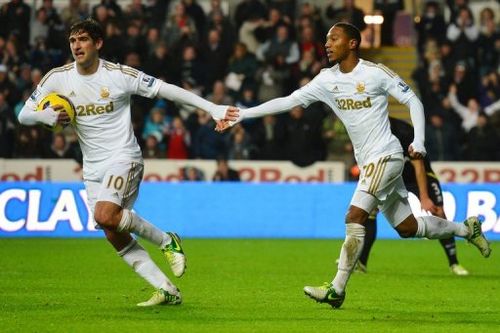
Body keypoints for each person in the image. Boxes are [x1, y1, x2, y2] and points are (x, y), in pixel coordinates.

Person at [216, 22, 491, 309]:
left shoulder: (375, 73)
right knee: (408, 228)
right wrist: (243, 114)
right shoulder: (325, 80)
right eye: (326, 39)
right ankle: (465, 230)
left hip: (386, 155)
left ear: (352, 43)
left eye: (334, 38)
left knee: (354, 215)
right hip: (370, 162)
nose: (327, 43)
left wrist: (419, 141)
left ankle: (337, 288)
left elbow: (413, 100)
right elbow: (289, 100)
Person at [17, 19, 238, 307]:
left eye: (83, 39)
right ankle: (166, 288)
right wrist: (42, 117)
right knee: (111, 230)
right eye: (72, 41)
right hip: (92, 167)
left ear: (98, 44)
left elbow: (166, 89)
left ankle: (166, 240)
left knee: (107, 215)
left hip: (124, 156)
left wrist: (211, 108)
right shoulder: (57, 78)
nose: (76, 46)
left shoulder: (118, 75)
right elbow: (23, 114)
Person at [355, 117, 470, 276]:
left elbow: (419, 166)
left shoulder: (405, 131)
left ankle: (454, 263)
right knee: (369, 213)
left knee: (438, 212)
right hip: (393, 177)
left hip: (420, 176)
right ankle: (361, 263)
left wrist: (424, 197)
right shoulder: (370, 131)